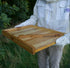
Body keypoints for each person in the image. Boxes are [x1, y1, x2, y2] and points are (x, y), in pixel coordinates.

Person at [15, 0, 70, 68]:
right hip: (40, 40)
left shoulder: (67, 1)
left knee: (54, 65)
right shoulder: (39, 1)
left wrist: (65, 39)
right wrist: (20, 27)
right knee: (42, 64)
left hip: (57, 41)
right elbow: (34, 18)